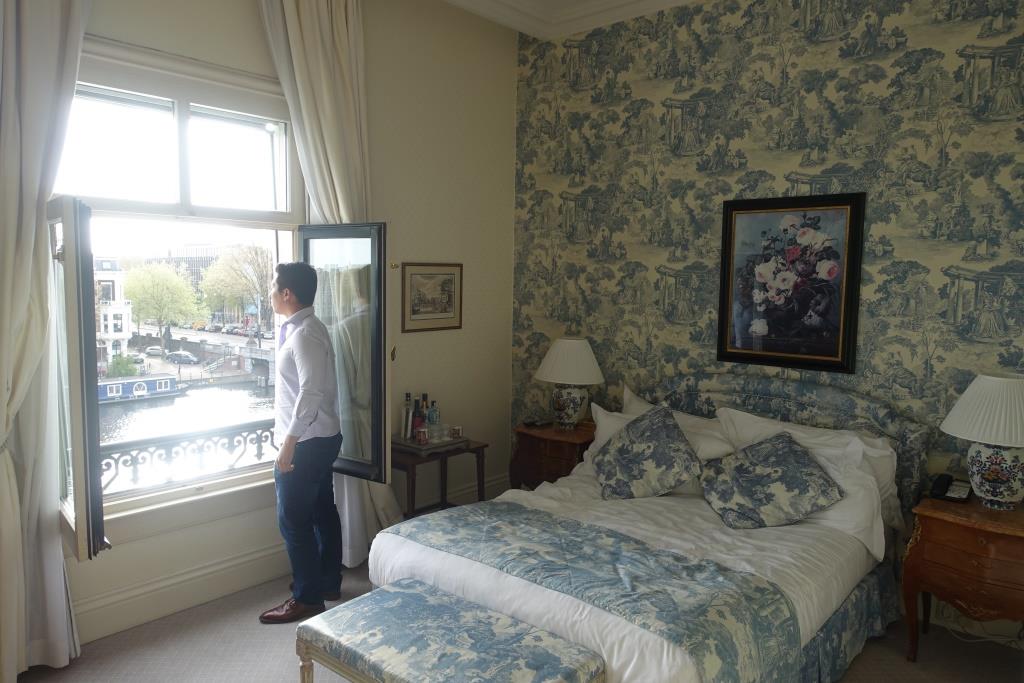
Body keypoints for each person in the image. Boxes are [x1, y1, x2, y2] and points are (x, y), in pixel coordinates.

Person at [259, 262, 343, 624]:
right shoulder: (305, 327)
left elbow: (310, 392)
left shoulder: (305, 333)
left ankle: (307, 598)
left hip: (307, 442)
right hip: (320, 437)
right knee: (323, 509)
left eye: (273, 287)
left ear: (287, 293)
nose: (270, 294)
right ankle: (327, 582)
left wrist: (289, 442)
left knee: (293, 521)